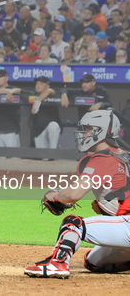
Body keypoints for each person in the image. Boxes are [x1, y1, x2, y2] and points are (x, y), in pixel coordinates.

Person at [25, 110, 130, 278]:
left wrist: (55, 195)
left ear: (101, 131)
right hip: (126, 223)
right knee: (92, 262)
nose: (83, 133)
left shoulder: (102, 158)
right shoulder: (123, 155)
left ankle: (56, 265)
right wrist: (108, 207)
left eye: (88, 129)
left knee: (74, 223)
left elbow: (72, 195)